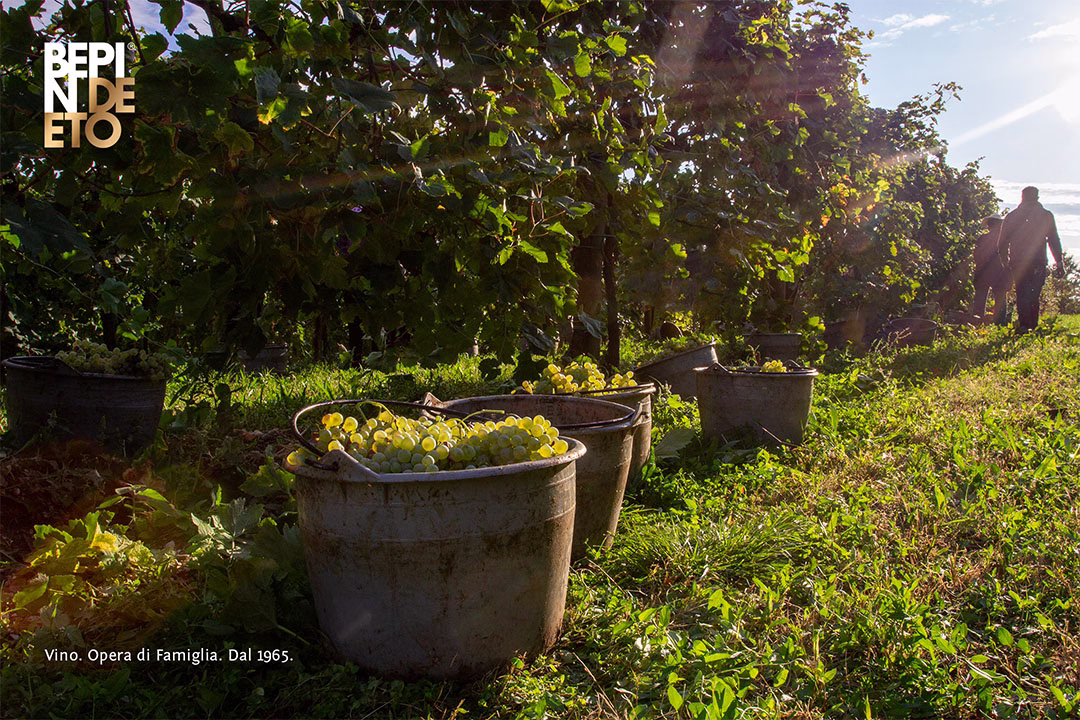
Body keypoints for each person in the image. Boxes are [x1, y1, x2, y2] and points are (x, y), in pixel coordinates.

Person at [998, 186, 1065, 332]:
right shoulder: (1046, 216)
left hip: (1018, 261)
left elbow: (1002, 243)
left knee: (1022, 292)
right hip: (1038, 261)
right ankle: (1031, 325)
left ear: (1022, 197)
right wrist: (1059, 261)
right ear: (1037, 197)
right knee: (1034, 293)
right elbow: (1054, 239)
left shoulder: (1012, 216)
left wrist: (1005, 263)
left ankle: (1024, 325)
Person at [970, 214, 1009, 324]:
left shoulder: (982, 239)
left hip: (983, 273)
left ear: (988, 225)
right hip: (998, 273)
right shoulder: (1003, 240)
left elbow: (976, 256)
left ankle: (976, 322)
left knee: (980, 299)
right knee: (1000, 298)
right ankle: (1000, 324)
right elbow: (1005, 257)